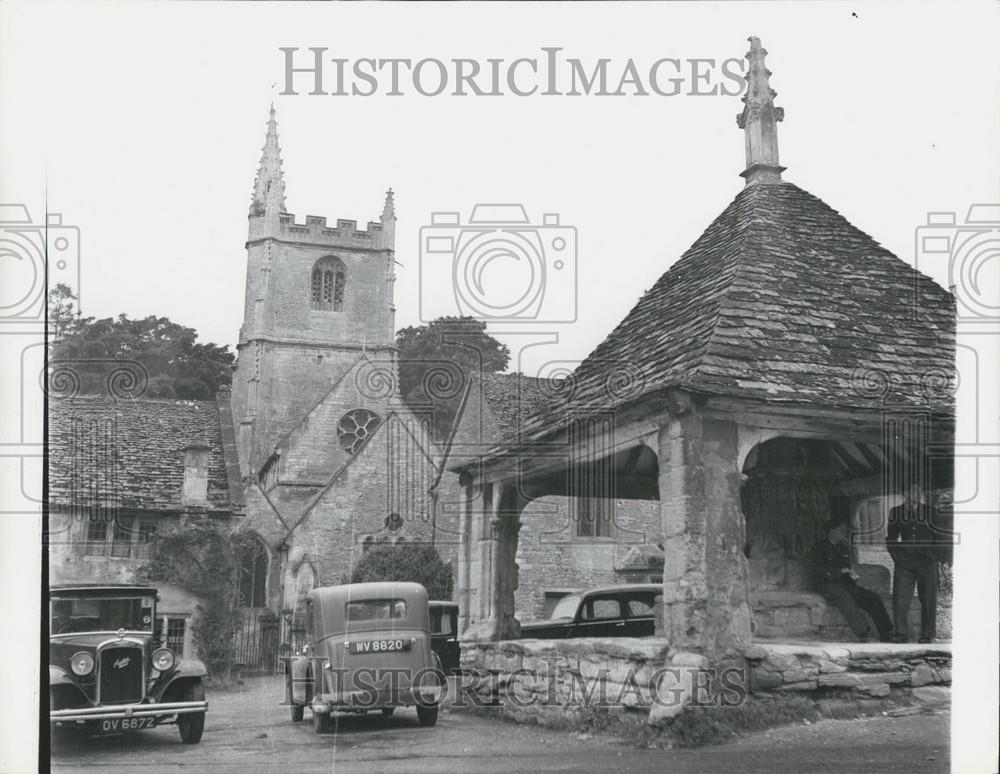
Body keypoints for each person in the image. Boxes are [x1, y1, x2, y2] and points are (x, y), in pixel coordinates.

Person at [810, 518, 893, 642]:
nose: (844, 533)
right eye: (841, 530)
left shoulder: (842, 548)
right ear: (832, 531)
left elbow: (846, 567)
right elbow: (817, 570)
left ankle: (886, 632)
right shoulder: (819, 547)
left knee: (872, 597)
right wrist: (839, 572)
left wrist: (851, 574)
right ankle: (862, 632)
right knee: (845, 598)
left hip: (843, 583)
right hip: (826, 584)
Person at [886, 483, 940, 643]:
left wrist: (934, 555)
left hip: (927, 561)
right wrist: (897, 556)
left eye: (918, 490)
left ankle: (927, 635)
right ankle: (901, 634)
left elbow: (940, 536)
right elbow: (891, 538)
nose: (915, 493)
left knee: (929, 598)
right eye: (911, 490)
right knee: (900, 598)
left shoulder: (931, 511)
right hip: (905, 561)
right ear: (905, 493)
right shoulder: (896, 512)